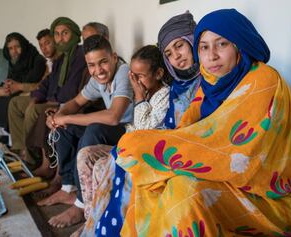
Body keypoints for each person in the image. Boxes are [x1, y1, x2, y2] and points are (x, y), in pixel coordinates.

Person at [113, 8, 291, 236]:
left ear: (239, 45)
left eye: (222, 44)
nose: (211, 56)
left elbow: (237, 153)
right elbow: (188, 132)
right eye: (204, 47)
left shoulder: (264, 80)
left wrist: (149, 148)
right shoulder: (209, 85)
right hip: (229, 180)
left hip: (274, 196)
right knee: (152, 181)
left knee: (183, 189)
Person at [80, 11, 202, 236]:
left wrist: (138, 96)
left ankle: (107, 228)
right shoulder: (175, 86)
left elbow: (149, 129)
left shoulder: (168, 92)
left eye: (180, 46)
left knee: (121, 160)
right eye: (169, 52)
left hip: (175, 150)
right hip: (154, 142)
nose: (176, 56)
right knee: (112, 156)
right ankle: (94, 223)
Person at [38, 35, 134, 229]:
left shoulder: (124, 72)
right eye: (91, 65)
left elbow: (114, 116)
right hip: (115, 130)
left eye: (103, 62)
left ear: (114, 57)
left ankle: (81, 205)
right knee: (66, 128)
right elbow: (75, 102)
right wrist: (59, 116)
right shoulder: (97, 79)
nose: (98, 70)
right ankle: (68, 187)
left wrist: (67, 117)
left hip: (131, 131)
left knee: (95, 129)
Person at [74, 45, 171, 235]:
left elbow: (144, 132)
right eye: (132, 76)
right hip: (128, 144)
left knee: (102, 165)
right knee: (85, 154)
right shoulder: (146, 91)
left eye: (139, 76)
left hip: (142, 151)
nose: (134, 81)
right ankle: (91, 220)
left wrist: (139, 97)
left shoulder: (163, 96)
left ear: (158, 73)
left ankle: (98, 222)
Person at [7, 18, 87, 170]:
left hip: (61, 101)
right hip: (50, 98)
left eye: (65, 33)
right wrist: (36, 96)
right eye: (57, 34)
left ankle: (32, 157)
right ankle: (20, 148)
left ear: (75, 34)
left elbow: (71, 88)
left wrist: (50, 101)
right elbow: (47, 82)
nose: (60, 38)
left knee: (34, 110)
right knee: (15, 103)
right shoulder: (61, 58)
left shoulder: (80, 55)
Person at [0, 32, 46, 138]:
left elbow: (29, 81)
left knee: (8, 102)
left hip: (30, 90)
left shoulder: (37, 60)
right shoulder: (14, 62)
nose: (14, 51)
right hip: (17, 89)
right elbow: (11, 79)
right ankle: (6, 138)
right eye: (10, 48)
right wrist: (1, 88)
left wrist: (2, 91)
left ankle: (14, 141)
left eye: (17, 47)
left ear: (24, 46)